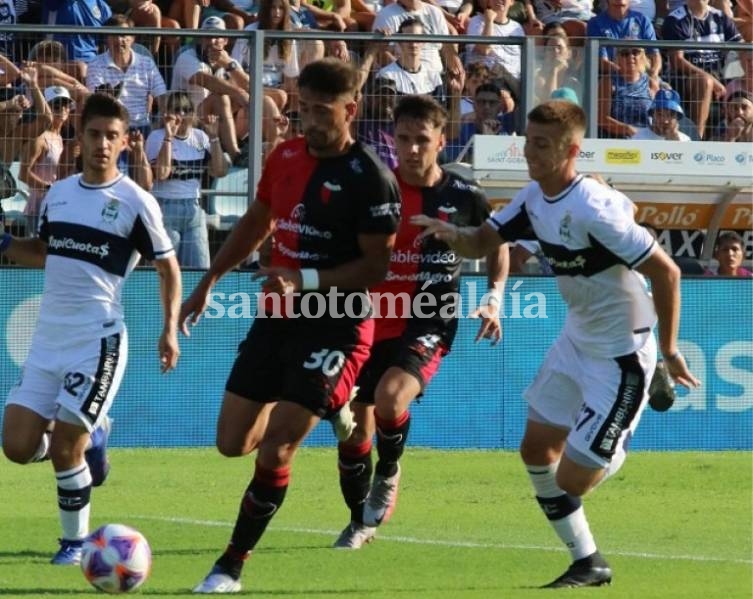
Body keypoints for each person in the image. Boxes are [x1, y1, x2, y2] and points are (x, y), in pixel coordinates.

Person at [412, 100, 700, 588]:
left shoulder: (593, 208)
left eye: (541, 145)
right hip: (576, 339)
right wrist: (451, 234)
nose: (530, 152)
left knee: (572, 480)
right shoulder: (532, 197)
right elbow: (483, 242)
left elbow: (666, 272)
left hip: (623, 352)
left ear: (571, 150)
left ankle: (627, 420)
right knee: (536, 450)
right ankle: (588, 562)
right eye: (528, 141)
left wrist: (670, 349)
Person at [181, 58, 401, 594]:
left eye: (322, 111)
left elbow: (376, 268)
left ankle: (229, 565)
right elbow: (258, 223)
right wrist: (209, 280)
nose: (310, 120)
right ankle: (335, 408)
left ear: (350, 110)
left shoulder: (372, 177)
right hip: (278, 319)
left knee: (278, 447)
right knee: (233, 443)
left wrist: (302, 279)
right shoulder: (284, 156)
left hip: (339, 324)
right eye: (304, 108)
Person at [0, 93, 181, 565]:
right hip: (47, 341)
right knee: (16, 447)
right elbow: (43, 250)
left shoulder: (134, 202)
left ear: (124, 143)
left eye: (112, 137)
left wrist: (169, 330)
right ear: (79, 138)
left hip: (96, 341)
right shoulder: (58, 194)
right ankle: (94, 439)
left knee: (64, 448)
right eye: (95, 134)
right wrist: (4, 241)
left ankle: (75, 544)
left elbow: (168, 268)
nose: (102, 144)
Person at [333, 94, 509, 549]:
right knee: (352, 436)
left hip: (430, 318)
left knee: (392, 399)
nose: (411, 149)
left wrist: (493, 297)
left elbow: (498, 242)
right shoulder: (376, 190)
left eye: (422, 140)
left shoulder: (463, 194)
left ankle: (389, 473)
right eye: (404, 139)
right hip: (368, 322)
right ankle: (360, 520)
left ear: (441, 141)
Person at [146, 91, 229, 269]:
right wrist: (169, 136)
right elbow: (161, 173)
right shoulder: (156, 137)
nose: (182, 115)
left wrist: (214, 137)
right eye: (177, 110)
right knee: (165, 273)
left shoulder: (200, 137)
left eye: (187, 110)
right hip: (165, 208)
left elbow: (220, 171)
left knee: (199, 270)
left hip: (194, 209)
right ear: (167, 113)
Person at [18, 86, 71, 237]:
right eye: (55, 105)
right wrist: (50, 189)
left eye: (65, 104)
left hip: (55, 206)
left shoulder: (59, 138)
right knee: (37, 257)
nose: (61, 108)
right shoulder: (39, 139)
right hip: (38, 208)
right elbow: (23, 174)